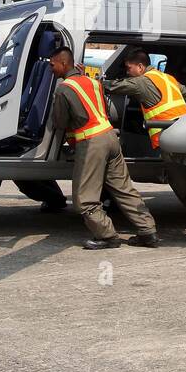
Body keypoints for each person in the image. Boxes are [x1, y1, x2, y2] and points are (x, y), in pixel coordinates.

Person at [105, 49, 186, 244]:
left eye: (129, 68)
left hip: (171, 142)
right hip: (183, 137)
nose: (128, 72)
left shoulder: (143, 81)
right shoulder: (168, 78)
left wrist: (94, 81)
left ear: (141, 67)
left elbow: (115, 87)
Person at [49, 47, 159, 249]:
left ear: (63, 64)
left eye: (52, 64)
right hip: (110, 137)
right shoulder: (93, 82)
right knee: (124, 188)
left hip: (92, 142)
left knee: (85, 197)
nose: (50, 68)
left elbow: (60, 122)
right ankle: (148, 232)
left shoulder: (64, 88)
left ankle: (107, 235)